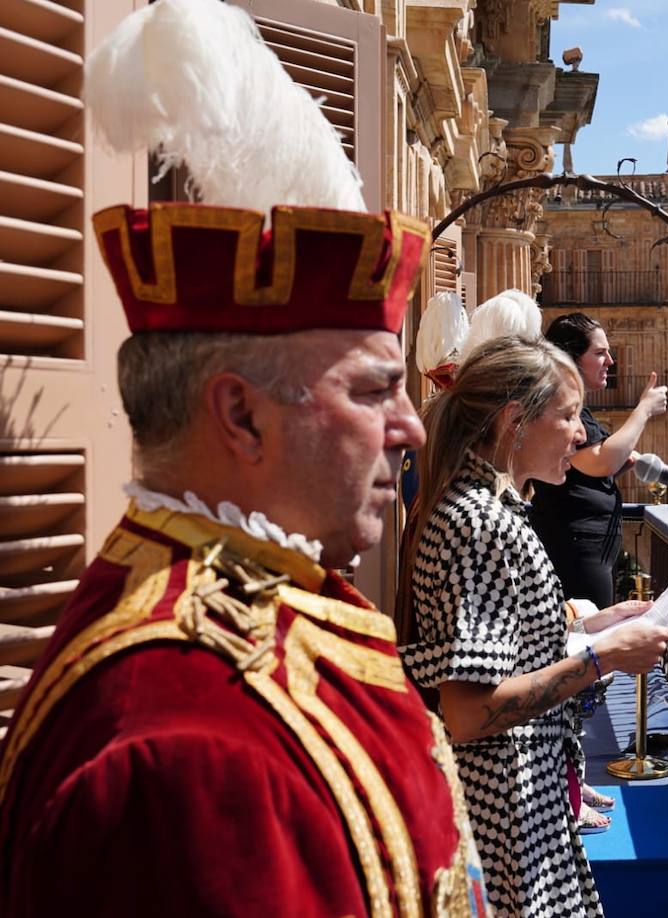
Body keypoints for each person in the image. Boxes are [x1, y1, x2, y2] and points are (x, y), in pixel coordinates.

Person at [0, 1, 489, 913]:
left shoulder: (275, 609)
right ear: (242, 415)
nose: (413, 428)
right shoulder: (185, 746)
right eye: (375, 390)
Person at [399, 337, 668, 917]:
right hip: (506, 812)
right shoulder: (478, 523)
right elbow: (471, 710)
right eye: (569, 416)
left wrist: (595, 625)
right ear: (515, 421)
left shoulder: (483, 510)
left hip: (521, 800)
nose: (581, 436)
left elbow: (506, 649)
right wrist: (605, 658)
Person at [530, 313, 668, 608]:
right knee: (586, 637)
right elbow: (601, 461)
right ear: (572, 358)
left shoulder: (574, 408)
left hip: (587, 549)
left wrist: (619, 464)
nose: (610, 361)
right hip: (577, 550)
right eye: (599, 353)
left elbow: (585, 471)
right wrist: (643, 409)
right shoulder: (562, 403)